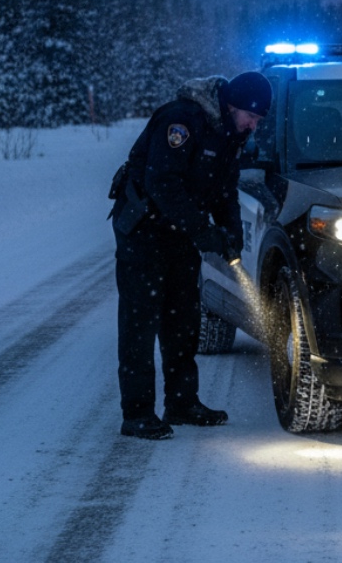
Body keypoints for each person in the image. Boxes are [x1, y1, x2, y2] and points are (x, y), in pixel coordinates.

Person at [112, 71, 271, 439]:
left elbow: (224, 191)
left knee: (182, 321)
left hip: (180, 234)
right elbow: (161, 183)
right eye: (251, 117)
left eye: (258, 121)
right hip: (144, 232)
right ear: (232, 106)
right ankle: (137, 414)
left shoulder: (231, 134)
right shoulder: (181, 120)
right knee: (140, 324)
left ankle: (181, 403)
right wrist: (203, 230)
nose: (253, 126)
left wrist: (229, 232)